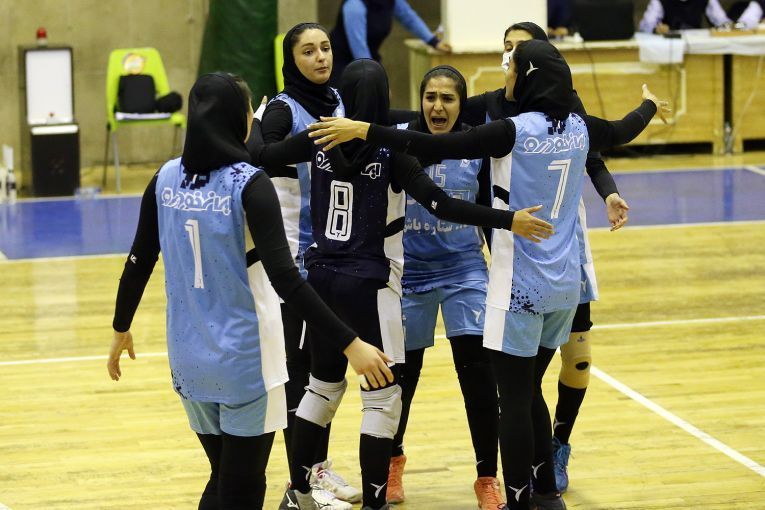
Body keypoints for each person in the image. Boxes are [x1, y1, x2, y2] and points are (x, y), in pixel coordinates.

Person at [308, 40, 667, 510]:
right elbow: (622, 129)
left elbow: (440, 148)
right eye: (431, 98)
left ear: (529, 78)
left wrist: (364, 128)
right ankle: (543, 492)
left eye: (511, 68)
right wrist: (649, 104)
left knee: (508, 396)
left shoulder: (510, 132)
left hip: (509, 284)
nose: (505, 76)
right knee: (520, 391)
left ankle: (508, 489)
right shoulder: (579, 125)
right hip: (557, 284)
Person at [250, 58, 553, 510]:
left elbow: (264, 156)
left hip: (321, 282)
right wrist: (509, 219)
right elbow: (442, 204)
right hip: (371, 285)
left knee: (320, 389)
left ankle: (298, 492)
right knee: (383, 399)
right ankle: (376, 502)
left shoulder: (317, 137)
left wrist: (256, 120)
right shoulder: (392, 151)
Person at [106, 72, 394, 510]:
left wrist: (120, 327)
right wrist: (351, 343)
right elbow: (287, 279)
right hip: (246, 362)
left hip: (188, 359)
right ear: (239, 119)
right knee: (242, 488)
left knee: (222, 477)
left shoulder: (163, 178)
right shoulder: (249, 184)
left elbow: (138, 260)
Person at [461, 20, 632, 494]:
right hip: (515, 249)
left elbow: (594, 152)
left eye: (519, 48)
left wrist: (609, 192)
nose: (510, 55)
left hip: (564, 246)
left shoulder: (564, 107)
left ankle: (557, 445)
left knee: (576, 359)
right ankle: (534, 469)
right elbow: (440, 119)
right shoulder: (495, 107)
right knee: (522, 379)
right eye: (507, 47)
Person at [246, 22, 359, 508]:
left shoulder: (339, 101)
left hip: (335, 254)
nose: (321, 57)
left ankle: (317, 469)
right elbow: (258, 155)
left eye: (325, 48)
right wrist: (310, 139)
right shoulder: (281, 108)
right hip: (295, 258)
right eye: (309, 51)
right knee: (299, 374)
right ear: (292, 60)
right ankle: (301, 483)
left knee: (324, 374)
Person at [383, 64, 504, 508]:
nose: (438, 106)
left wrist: (503, 272)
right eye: (430, 97)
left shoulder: (476, 146)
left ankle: (487, 477)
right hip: (410, 274)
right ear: (420, 101)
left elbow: (488, 212)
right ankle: (393, 459)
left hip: (464, 272)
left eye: (448, 98)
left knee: (478, 377)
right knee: (402, 379)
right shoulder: (400, 141)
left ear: (461, 103)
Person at [329, 0, 451, 85]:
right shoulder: (354, 6)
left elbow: (409, 17)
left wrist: (434, 42)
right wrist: (375, 80)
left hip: (368, 60)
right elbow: (359, 48)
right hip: (342, 64)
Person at [638, 0, 734, 33]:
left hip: (697, 45)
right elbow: (645, 26)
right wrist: (656, 29)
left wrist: (730, 26)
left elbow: (722, 21)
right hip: (668, 47)